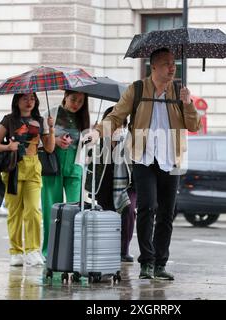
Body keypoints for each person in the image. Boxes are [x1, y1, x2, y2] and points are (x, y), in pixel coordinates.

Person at [84, 48, 202, 280]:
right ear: (154, 67)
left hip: (171, 160)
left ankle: (160, 264)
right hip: (143, 157)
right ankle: (146, 263)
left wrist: (188, 104)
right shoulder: (137, 90)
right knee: (147, 207)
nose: (172, 68)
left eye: (174, 64)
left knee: (167, 213)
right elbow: (116, 116)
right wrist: (98, 132)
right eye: (167, 64)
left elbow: (194, 125)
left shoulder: (180, 91)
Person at [0, 93, 55, 267]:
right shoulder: (9, 120)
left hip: (33, 167)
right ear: (17, 101)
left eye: (32, 99)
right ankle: (16, 252)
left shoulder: (40, 120)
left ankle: (33, 251)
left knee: (33, 210)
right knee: (15, 212)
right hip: (13, 168)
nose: (29, 102)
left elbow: (49, 149)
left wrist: (51, 128)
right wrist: (8, 146)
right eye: (25, 98)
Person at [40, 90, 90, 258]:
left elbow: (87, 146)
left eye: (81, 101)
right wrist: (56, 140)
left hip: (75, 167)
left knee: (76, 211)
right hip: (52, 166)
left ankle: (73, 251)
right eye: (73, 99)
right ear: (65, 96)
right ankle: (49, 251)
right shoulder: (50, 113)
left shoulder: (84, 119)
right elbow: (39, 139)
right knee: (50, 210)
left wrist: (91, 135)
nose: (76, 104)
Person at [92, 106, 137, 263]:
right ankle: (108, 249)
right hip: (104, 186)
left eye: (120, 124)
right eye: (113, 124)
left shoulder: (129, 140)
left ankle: (124, 250)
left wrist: (121, 145)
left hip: (128, 184)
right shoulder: (99, 142)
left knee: (129, 210)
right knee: (107, 216)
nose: (117, 128)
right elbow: (90, 163)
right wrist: (94, 140)